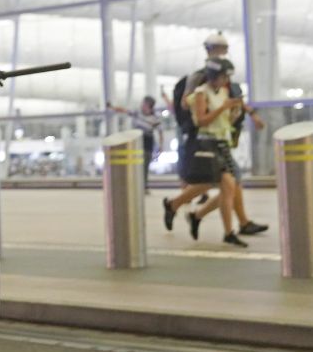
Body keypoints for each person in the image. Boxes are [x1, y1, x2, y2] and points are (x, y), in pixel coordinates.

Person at [172, 33, 268, 235]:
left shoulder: (227, 78)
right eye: (216, 47)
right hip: (206, 139)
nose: (220, 51)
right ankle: (241, 223)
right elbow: (187, 104)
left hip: (223, 137)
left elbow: (237, 101)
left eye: (222, 48)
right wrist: (210, 103)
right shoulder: (201, 78)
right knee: (230, 182)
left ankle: (182, 208)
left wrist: (250, 115)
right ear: (207, 49)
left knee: (224, 183)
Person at [162, 59, 250, 247]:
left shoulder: (224, 92)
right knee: (218, 184)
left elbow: (225, 120)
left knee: (226, 187)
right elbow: (201, 121)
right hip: (206, 144)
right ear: (214, 76)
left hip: (222, 143)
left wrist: (234, 111)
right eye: (224, 76)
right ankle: (218, 227)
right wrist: (223, 108)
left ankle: (187, 211)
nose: (227, 80)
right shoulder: (201, 93)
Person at [109, 96, 163, 190]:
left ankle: (143, 186)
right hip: (136, 142)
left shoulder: (155, 118)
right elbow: (124, 110)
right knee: (135, 165)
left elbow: (160, 132)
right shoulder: (137, 113)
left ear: (149, 106)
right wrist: (112, 107)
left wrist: (161, 146)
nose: (142, 105)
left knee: (144, 165)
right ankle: (135, 185)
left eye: (144, 104)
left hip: (147, 142)